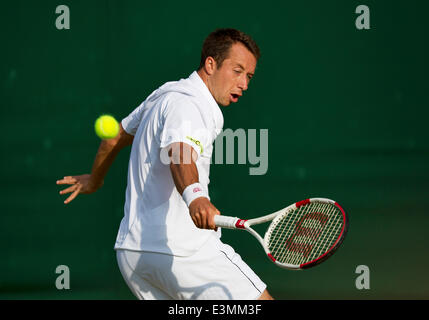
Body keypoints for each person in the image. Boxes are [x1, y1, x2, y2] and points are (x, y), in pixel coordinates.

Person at [57, 28, 273, 300]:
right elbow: (180, 152)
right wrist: (195, 197)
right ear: (210, 64)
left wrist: (95, 178)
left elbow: (113, 139)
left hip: (134, 255)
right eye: (237, 71)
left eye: (249, 76)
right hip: (183, 252)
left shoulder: (165, 94)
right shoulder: (191, 104)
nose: (244, 84)